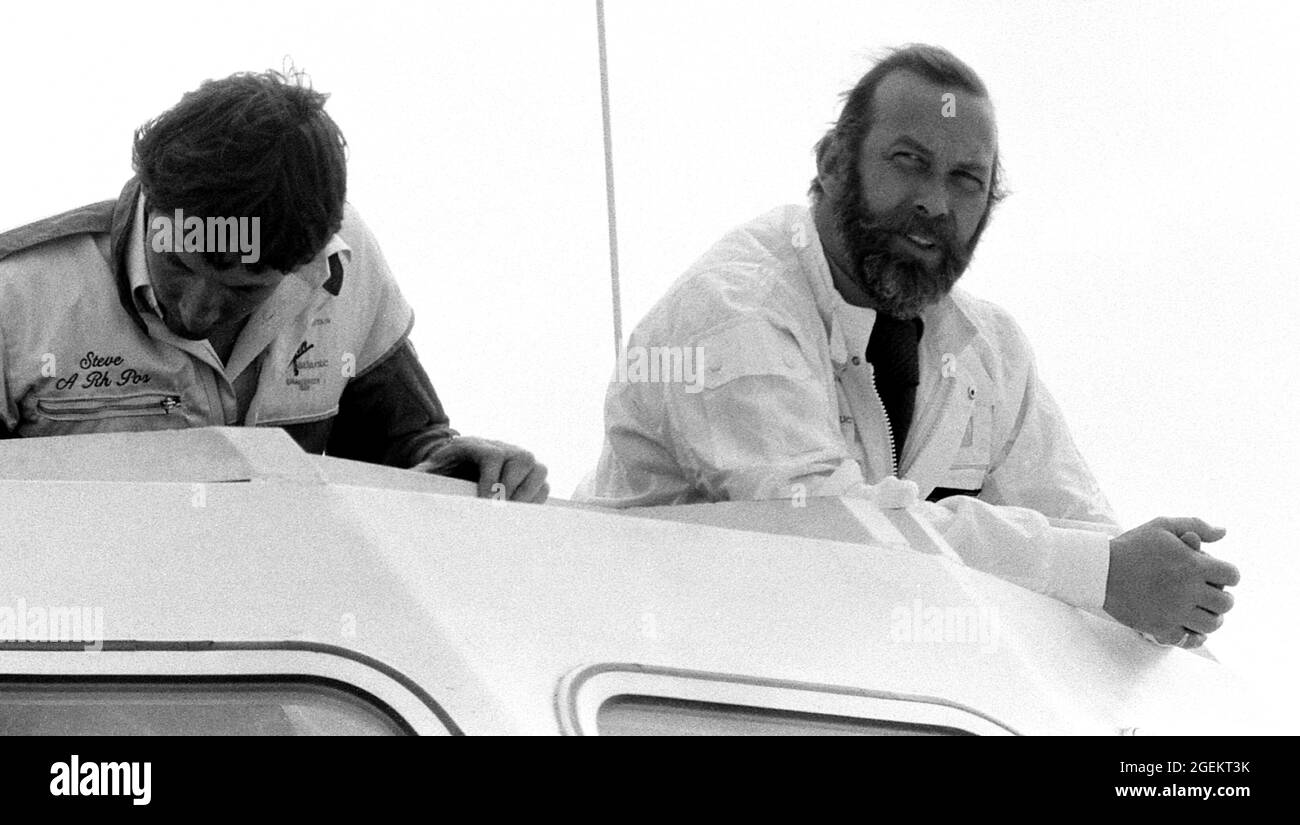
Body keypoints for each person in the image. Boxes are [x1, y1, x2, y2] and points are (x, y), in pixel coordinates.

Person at [578, 45, 1236, 646]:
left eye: (965, 180)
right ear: (833, 163)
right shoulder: (732, 309)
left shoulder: (991, 351)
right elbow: (834, 536)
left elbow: (1092, 544)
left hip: (845, 686)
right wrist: (1104, 571)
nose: (934, 203)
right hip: (643, 680)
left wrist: (1160, 584)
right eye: (909, 162)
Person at [0, 69, 548, 503]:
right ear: (151, 198)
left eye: (242, 290)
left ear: (309, 261)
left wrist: (461, 471)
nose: (195, 311)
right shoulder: (18, 292)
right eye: (179, 266)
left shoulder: (348, 265)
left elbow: (401, 448)